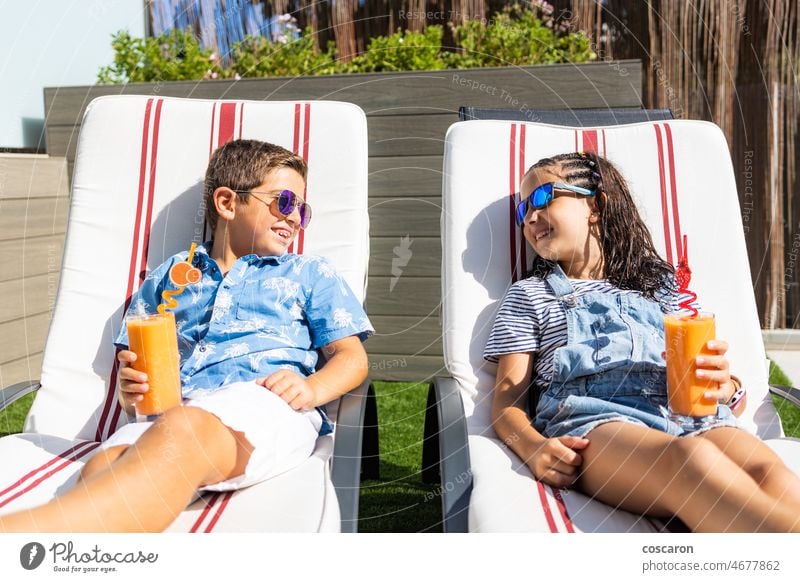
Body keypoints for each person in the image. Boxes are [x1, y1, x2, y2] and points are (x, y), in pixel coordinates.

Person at [0, 139, 372, 532]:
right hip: (167, 413)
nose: (294, 217)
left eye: (302, 209)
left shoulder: (307, 273)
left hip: (263, 401)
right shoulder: (172, 274)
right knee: (102, 466)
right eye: (283, 202)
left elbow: (352, 357)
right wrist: (131, 388)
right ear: (228, 203)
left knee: (185, 432)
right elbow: (137, 357)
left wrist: (311, 389)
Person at [485, 151, 800, 533]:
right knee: (691, 461)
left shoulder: (661, 289)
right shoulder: (530, 295)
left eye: (541, 198)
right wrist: (534, 449)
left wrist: (726, 385)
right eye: (522, 213)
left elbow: (719, 386)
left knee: (772, 475)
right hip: (597, 420)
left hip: (690, 412)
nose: (530, 218)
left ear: (596, 206)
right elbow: (506, 402)